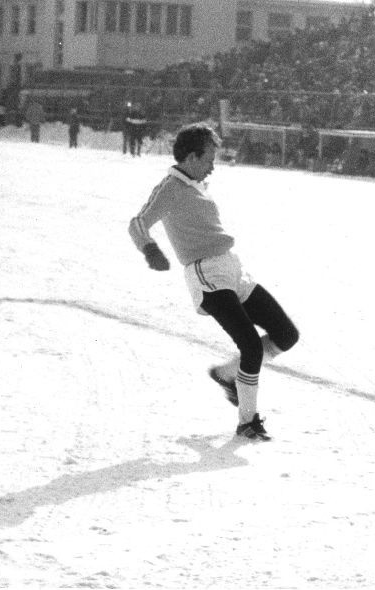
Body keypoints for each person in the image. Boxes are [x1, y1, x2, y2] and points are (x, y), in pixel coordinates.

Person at [128, 123, 300, 440]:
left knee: (287, 334)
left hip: (233, 268)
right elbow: (138, 223)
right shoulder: (171, 187)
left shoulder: (195, 184)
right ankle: (247, 421)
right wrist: (149, 248)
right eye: (209, 158)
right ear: (192, 157)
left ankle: (229, 374)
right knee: (250, 344)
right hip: (206, 274)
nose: (213, 165)